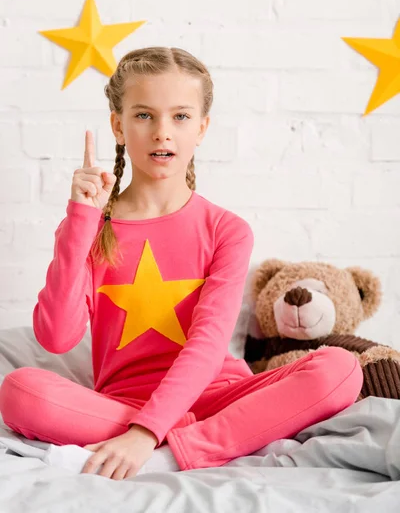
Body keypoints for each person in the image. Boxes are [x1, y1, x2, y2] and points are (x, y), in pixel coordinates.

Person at [0, 47, 363, 481]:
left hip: (221, 395)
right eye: (143, 115)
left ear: (202, 128)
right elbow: (56, 338)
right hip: (123, 404)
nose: (162, 133)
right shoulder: (89, 227)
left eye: (181, 117)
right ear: (118, 125)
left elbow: (208, 345)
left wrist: (146, 435)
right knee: (20, 391)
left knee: (340, 369)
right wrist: (81, 219)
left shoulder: (226, 229)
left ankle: (170, 455)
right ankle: (211, 440)